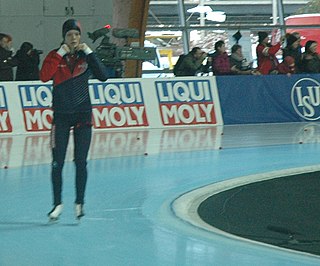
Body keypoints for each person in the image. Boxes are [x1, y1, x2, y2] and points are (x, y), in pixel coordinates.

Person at [40, 19, 108, 221]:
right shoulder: (55, 55)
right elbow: (44, 76)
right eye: (69, 35)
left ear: (80, 36)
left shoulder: (85, 57)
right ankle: (57, 204)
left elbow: (103, 76)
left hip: (83, 116)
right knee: (57, 163)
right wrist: (59, 54)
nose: (73, 38)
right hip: (60, 117)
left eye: (76, 35)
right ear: (64, 37)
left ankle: (79, 203)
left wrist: (90, 53)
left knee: (81, 162)